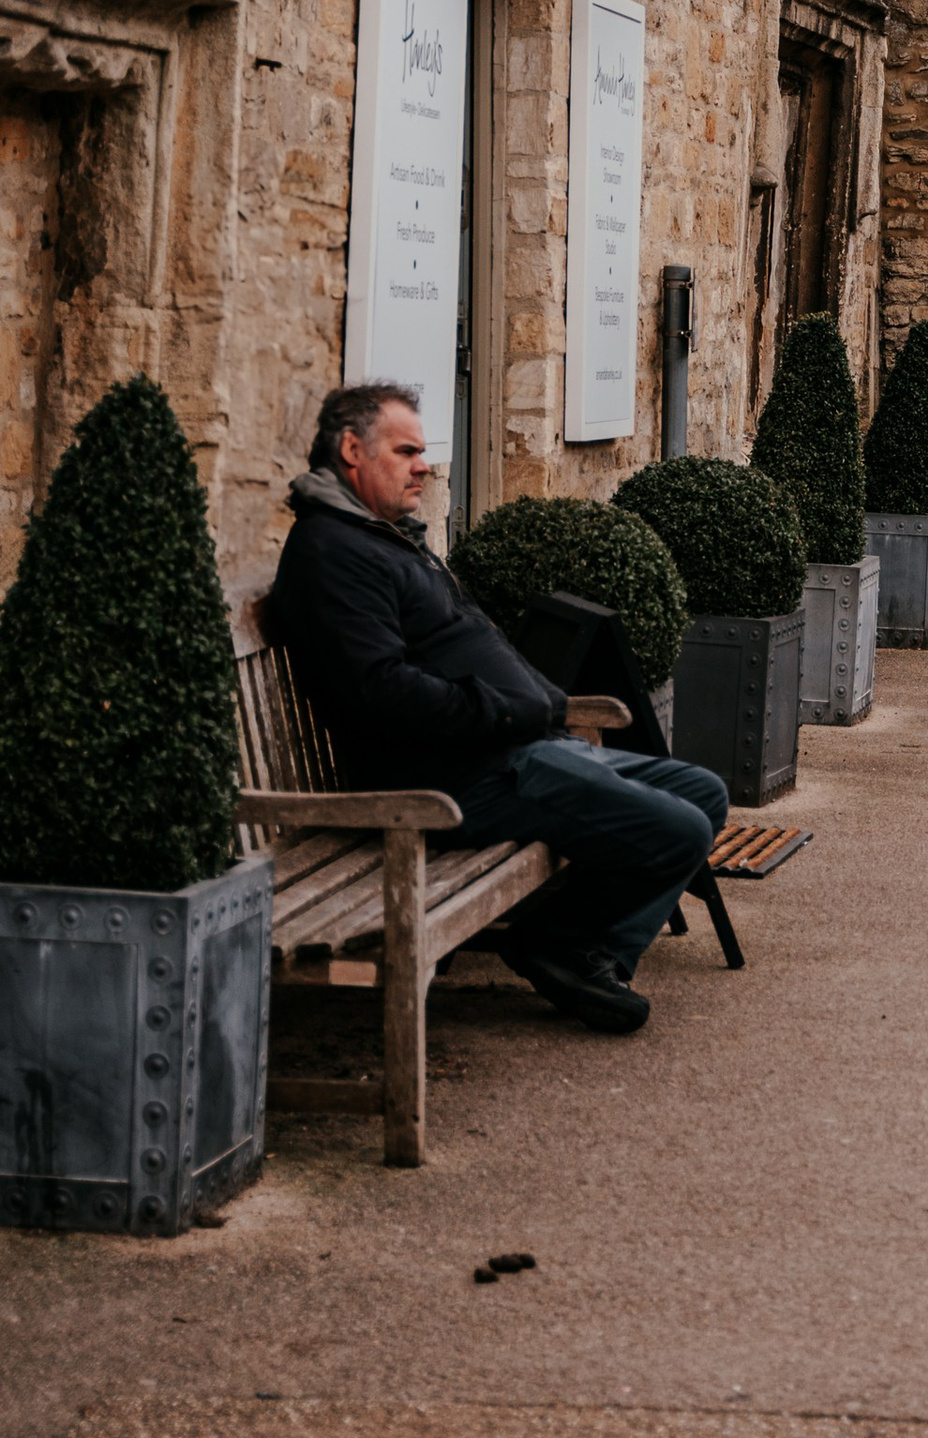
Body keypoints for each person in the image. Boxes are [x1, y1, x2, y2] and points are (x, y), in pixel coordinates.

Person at [266, 381, 727, 1033]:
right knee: (677, 830)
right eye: (406, 451)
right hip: (456, 781)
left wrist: (528, 707)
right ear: (350, 450)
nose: (423, 464)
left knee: (702, 794)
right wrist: (504, 711)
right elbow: (380, 691)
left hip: (513, 752)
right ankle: (565, 946)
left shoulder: (386, 537)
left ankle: (572, 943)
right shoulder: (332, 554)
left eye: (422, 451)